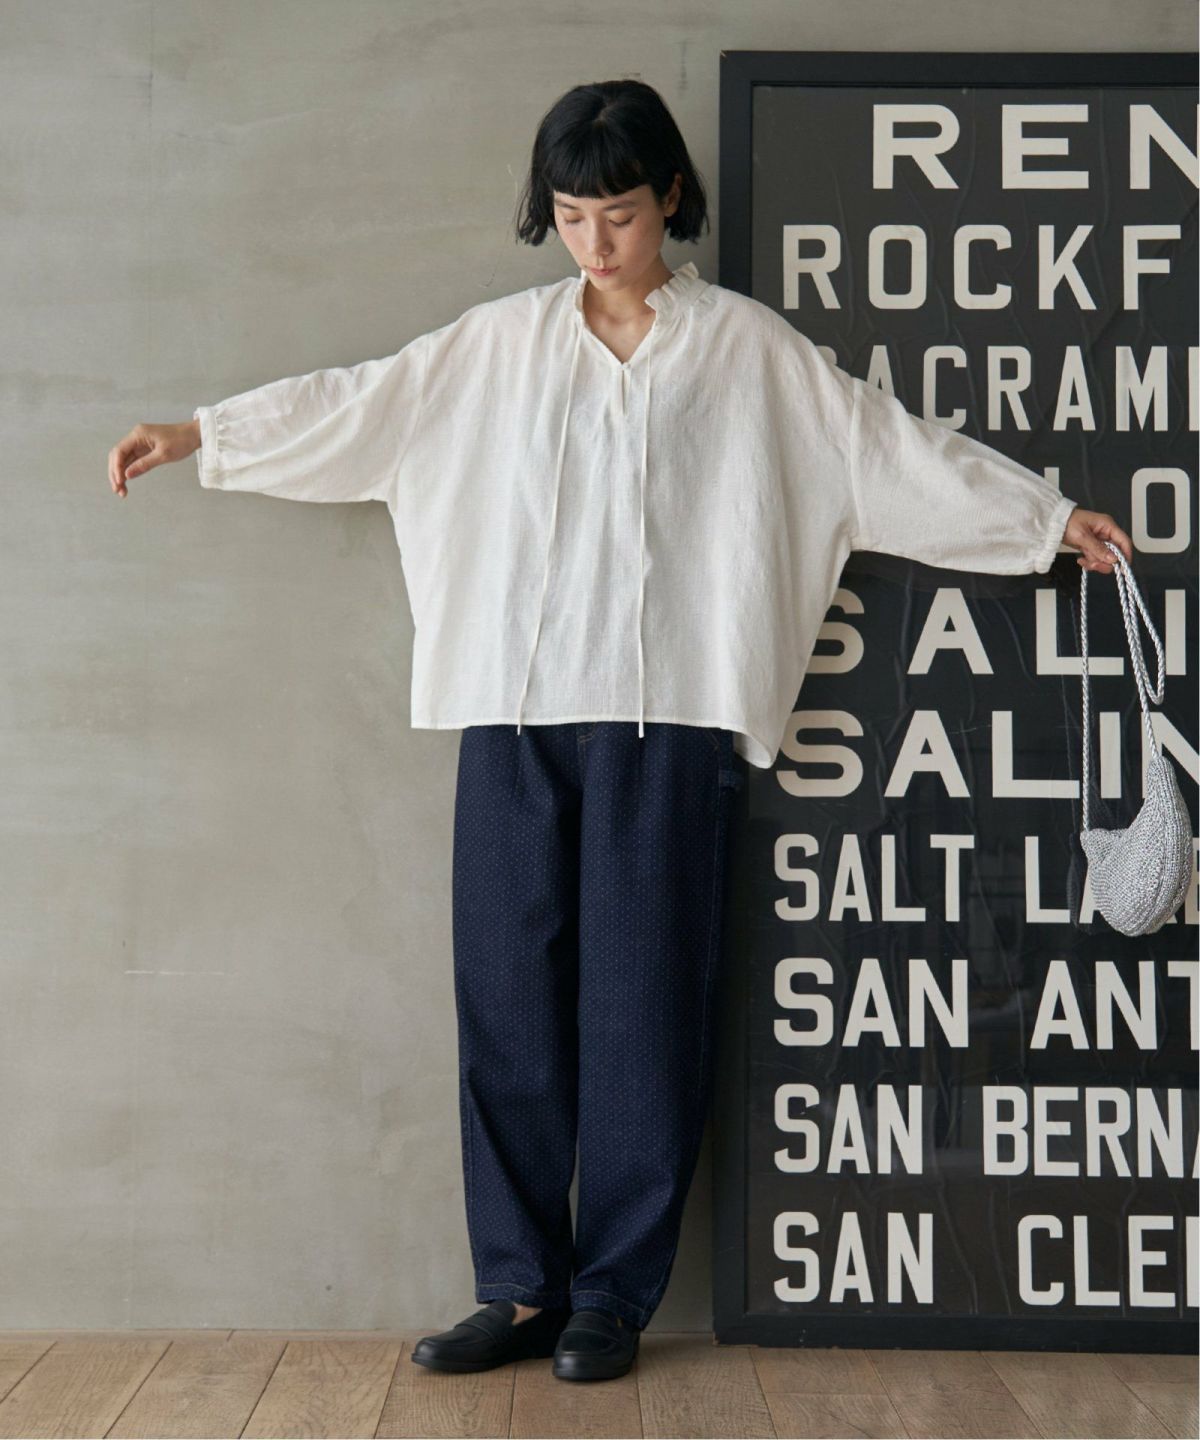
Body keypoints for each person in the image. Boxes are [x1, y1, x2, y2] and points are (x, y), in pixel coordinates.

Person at [106, 79, 1133, 1383]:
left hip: (672, 721)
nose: (596, 242)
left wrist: (1041, 521)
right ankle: (516, 1288)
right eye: (573, 215)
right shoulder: (494, 348)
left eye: (624, 214)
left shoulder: (749, 352)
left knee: (645, 1010)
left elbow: (887, 453)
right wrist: (205, 435)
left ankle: (611, 1297)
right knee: (508, 1006)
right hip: (510, 711)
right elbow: (360, 406)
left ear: (671, 202)